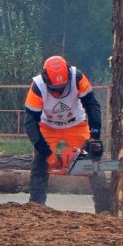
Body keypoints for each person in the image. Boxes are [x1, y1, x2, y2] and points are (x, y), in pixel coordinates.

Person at [23, 55, 103, 204]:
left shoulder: (77, 78)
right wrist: (47, 153)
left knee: (94, 159)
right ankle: (36, 205)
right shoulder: (37, 87)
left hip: (76, 124)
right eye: (55, 89)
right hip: (48, 126)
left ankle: (105, 205)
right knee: (40, 164)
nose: (59, 92)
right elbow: (30, 123)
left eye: (62, 88)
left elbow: (92, 105)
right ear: (45, 78)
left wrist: (95, 134)